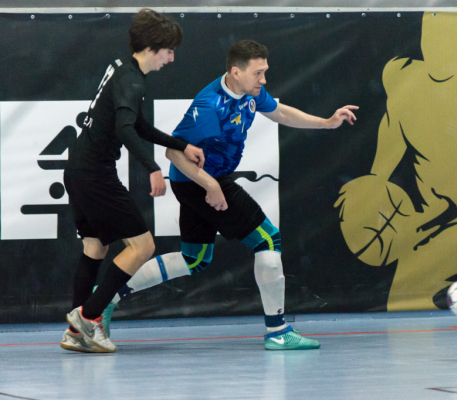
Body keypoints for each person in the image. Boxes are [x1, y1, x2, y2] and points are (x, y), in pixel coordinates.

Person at [100, 39, 358, 350]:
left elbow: (279, 112)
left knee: (193, 259)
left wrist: (327, 123)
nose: (263, 80)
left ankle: (105, 298)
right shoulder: (209, 107)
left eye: (265, 72)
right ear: (236, 72)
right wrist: (211, 186)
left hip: (203, 180)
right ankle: (277, 331)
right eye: (258, 73)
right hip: (200, 181)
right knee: (268, 240)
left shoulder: (251, 92)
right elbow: (173, 152)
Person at [60, 8, 205, 353]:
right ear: (152, 48)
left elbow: (136, 124)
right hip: (95, 174)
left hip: (77, 169)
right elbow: (126, 129)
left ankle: (76, 333)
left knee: (95, 248)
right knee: (143, 247)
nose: (171, 59)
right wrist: (153, 168)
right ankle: (89, 318)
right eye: (169, 51)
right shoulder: (132, 80)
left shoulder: (122, 68)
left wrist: (180, 145)